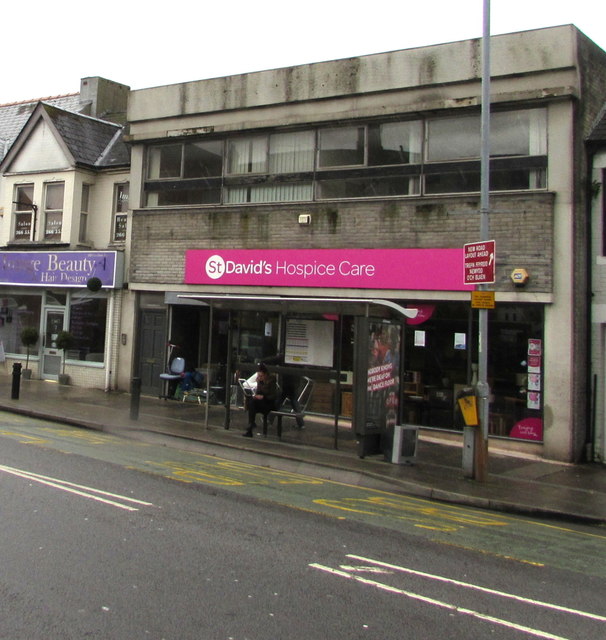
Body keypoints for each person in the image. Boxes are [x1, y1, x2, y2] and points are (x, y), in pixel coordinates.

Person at [244, 363, 278, 437]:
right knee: (252, 403)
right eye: (259, 376)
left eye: (261, 376)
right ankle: (251, 425)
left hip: (269, 403)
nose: (260, 377)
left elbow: (272, 396)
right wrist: (257, 394)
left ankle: (251, 426)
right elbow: (258, 392)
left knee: (252, 404)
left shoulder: (271, 381)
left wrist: (263, 397)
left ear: (266, 375)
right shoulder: (260, 381)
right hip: (261, 403)